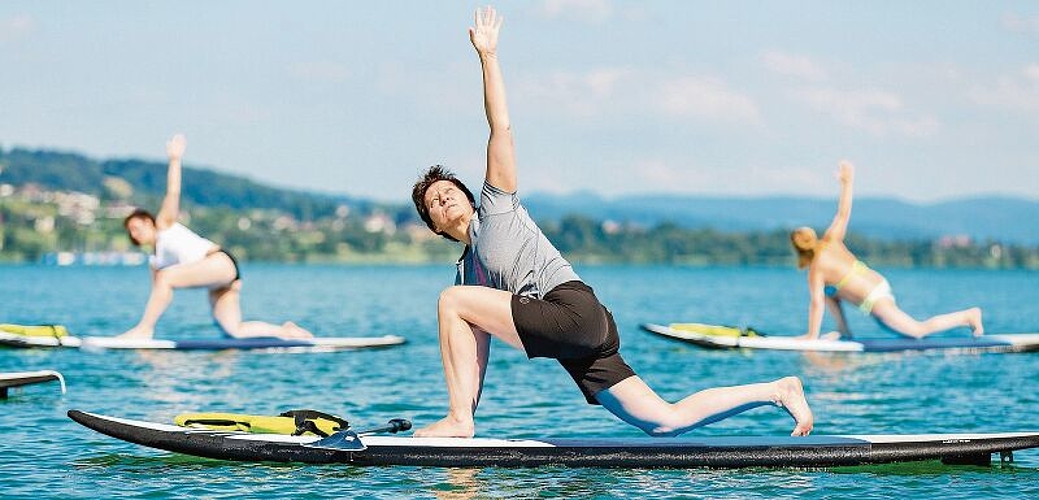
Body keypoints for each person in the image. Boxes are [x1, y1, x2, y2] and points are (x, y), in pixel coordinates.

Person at [409, 7, 813, 439]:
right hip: (581, 331)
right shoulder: (467, 273)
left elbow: (500, 127)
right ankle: (778, 390)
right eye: (433, 201)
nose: (443, 196)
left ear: (471, 197)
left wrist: (488, 57)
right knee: (664, 420)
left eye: (450, 189)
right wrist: (468, 416)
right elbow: (474, 353)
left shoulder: (497, 208)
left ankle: (457, 420)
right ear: (433, 225)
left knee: (450, 300)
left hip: (571, 310)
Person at [118, 134, 313, 341]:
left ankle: (144, 331)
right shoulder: (156, 262)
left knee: (166, 278)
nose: (133, 234)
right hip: (218, 280)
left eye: (136, 228)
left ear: (149, 222)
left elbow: (173, 192)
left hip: (219, 263)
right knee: (234, 330)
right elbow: (158, 295)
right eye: (130, 232)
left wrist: (175, 159)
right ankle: (286, 332)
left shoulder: (164, 225)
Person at [790, 161, 984, 340]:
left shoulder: (816, 270)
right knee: (829, 291)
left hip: (874, 299)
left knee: (917, 331)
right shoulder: (831, 240)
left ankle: (968, 316)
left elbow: (816, 304)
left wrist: (811, 337)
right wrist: (847, 182)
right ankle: (844, 330)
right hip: (878, 284)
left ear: (798, 250)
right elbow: (843, 212)